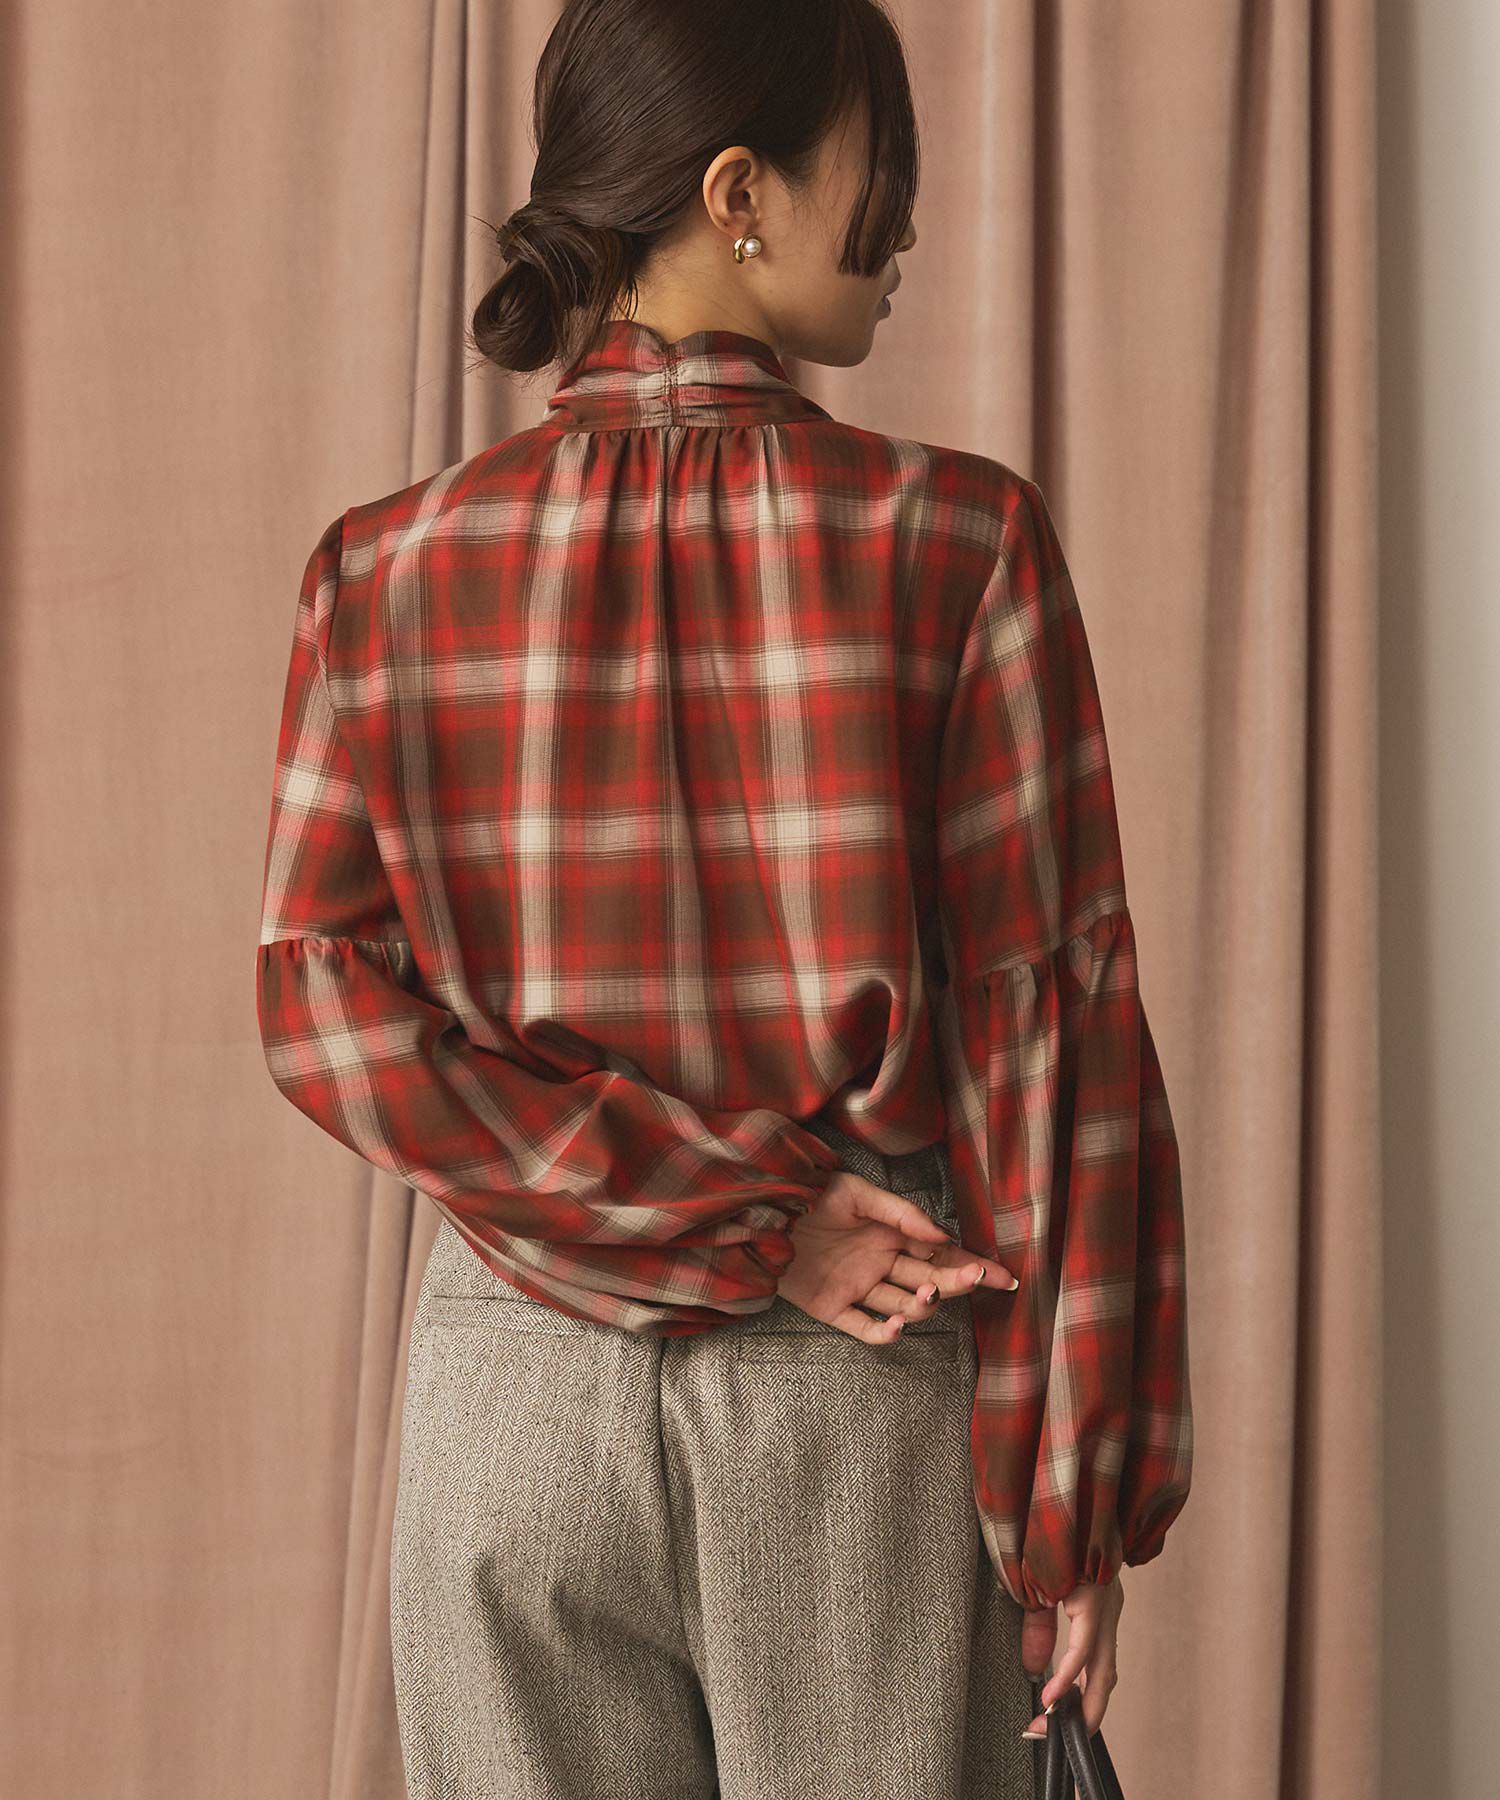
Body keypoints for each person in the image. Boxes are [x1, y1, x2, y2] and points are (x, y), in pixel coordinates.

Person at [254, 1, 1193, 1793]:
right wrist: (1067, 1502)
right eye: (879, 165)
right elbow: (1048, 1042)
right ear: (739, 192)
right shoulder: (959, 542)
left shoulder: (379, 573)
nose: (905, 220)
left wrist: (718, 1215)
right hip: (856, 1399)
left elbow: (320, 1004)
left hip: (512, 1391)